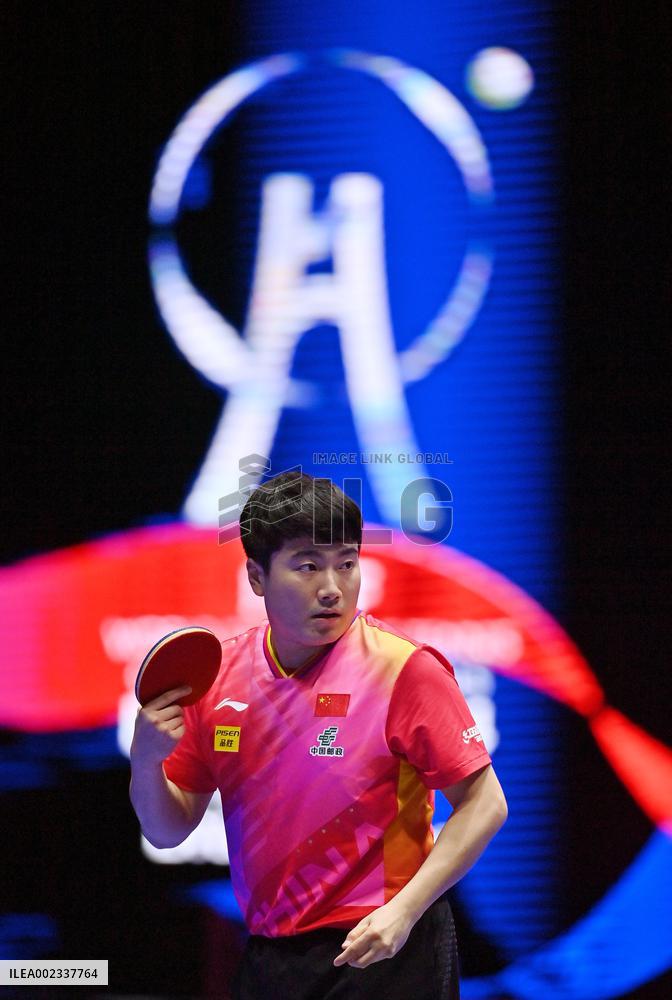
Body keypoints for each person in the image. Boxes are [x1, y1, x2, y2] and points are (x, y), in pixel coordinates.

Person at [129, 472, 507, 999]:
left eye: (347, 563)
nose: (332, 587)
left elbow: (485, 804)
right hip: (270, 955)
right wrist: (146, 762)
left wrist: (403, 912)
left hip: (387, 948)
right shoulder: (218, 679)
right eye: (307, 566)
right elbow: (168, 831)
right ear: (257, 577)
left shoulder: (404, 671)